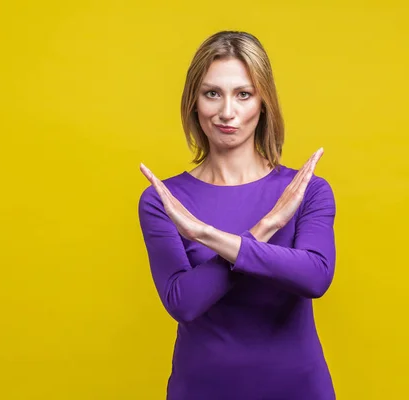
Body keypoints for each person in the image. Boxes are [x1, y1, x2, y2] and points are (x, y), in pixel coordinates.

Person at [138, 31, 337, 400]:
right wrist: (265, 228)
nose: (226, 112)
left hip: (296, 388)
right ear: (194, 102)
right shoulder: (165, 200)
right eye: (212, 93)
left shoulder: (306, 190)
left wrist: (206, 235)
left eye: (243, 94)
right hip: (202, 389)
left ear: (263, 103)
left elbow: (315, 277)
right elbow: (185, 302)